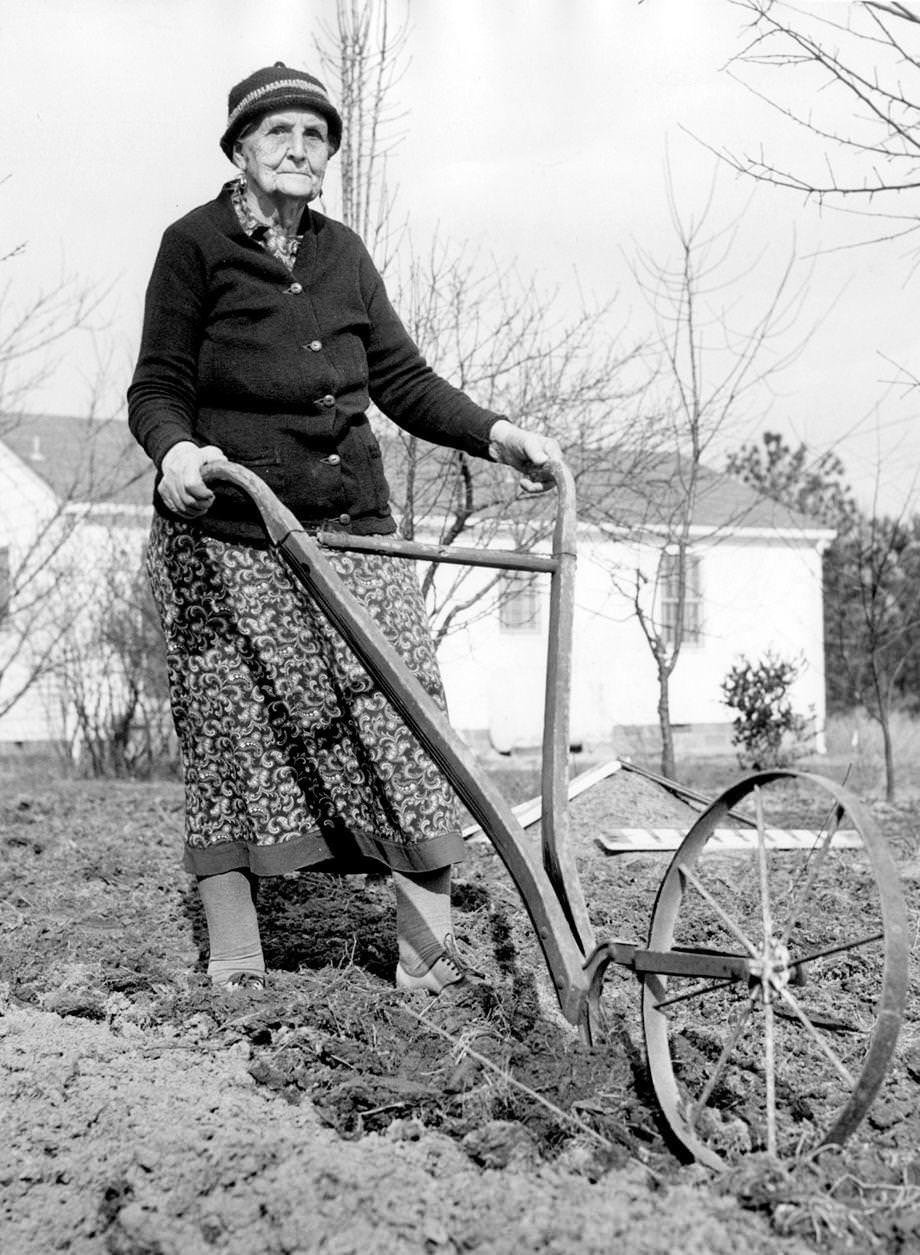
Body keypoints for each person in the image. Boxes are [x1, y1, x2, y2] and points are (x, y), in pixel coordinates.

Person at [128, 62, 561, 996]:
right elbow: (157, 384)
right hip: (235, 535)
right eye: (277, 132)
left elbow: (401, 380)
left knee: (405, 723)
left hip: (353, 528)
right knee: (236, 734)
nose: (297, 148)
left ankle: (427, 956)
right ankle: (239, 954)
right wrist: (175, 455)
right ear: (241, 148)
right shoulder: (194, 246)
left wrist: (499, 435)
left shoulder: (342, 252)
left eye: (314, 135)